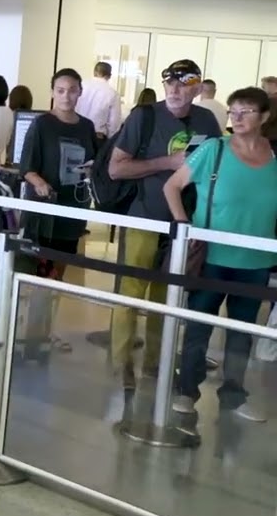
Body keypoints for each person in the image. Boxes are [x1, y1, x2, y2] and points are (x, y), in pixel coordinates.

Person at [107, 59, 221, 390]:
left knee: (165, 296)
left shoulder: (205, 122)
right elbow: (116, 169)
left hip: (183, 225)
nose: (174, 88)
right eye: (169, 81)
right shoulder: (145, 117)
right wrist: (166, 162)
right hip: (145, 218)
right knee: (131, 292)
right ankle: (121, 362)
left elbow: (204, 170)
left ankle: (155, 362)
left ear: (198, 88)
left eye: (183, 83)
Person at [164, 87, 275, 423]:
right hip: (212, 257)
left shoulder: (274, 157)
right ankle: (186, 391)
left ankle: (234, 394)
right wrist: (184, 225)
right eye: (233, 111)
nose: (237, 118)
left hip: (255, 261)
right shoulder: (214, 149)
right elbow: (172, 186)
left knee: (242, 332)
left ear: (264, 117)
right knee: (199, 327)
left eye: (246, 111)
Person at [17, 68, 101, 354]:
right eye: (61, 90)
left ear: (80, 92)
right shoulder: (42, 124)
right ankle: (33, 337)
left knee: (57, 275)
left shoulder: (87, 127)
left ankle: (45, 330)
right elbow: (26, 167)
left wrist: (91, 170)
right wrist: (39, 182)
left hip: (72, 209)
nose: (66, 96)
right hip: (44, 213)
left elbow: (95, 161)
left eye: (72, 90)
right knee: (42, 275)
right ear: (53, 91)